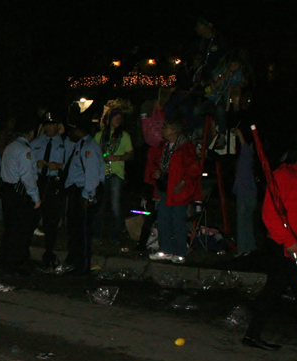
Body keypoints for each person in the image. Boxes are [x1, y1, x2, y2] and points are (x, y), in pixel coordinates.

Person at [242, 133, 297, 361]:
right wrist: (290, 242)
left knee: (274, 290)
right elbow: (270, 213)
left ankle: (253, 334)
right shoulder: (284, 174)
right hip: (290, 246)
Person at [144, 116, 202, 264]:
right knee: (163, 220)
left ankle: (180, 251)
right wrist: (156, 172)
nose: (162, 130)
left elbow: (193, 169)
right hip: (165, 188)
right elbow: (158, 163)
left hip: (178, 191)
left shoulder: (185, 147)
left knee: (177, 221)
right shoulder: (164, 146)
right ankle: (165, 249)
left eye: (165, 127)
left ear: (174, 130)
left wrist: (183, 182)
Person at [57, 117, 105, 275]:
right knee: (74, 231)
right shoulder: (80, 145)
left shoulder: (88, 148)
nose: (70, 133)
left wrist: (86, 196)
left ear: (79, 131)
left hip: (83, 192)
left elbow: (92, 174)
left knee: (82, 233)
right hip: (76, 191)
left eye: (72, 130)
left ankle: (83, 267)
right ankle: (73, 262)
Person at [0, 115, 41, 275]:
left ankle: (7, 260)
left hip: (8, 190)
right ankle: (17, 263)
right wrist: (35, 197)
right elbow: (27, 176)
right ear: (31, 133)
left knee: (10, 228)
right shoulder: (25, 150)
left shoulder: (10, 147)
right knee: (21, 230)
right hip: (19, 192)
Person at [30, 113, 66, 269]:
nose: (49, 127)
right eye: (47, 124)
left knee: (51, 219)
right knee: (33, 215)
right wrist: (36, 164)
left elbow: (73, 165)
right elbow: (27, 162)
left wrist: (58, 166)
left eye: (52, 124)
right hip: (38, 181)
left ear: (58, 126)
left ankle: (49, 251)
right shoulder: (37, 142)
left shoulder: (66, 143)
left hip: (54, 183)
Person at [93, 108, 134, 244]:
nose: (118, 120)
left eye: (119, 118)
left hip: (116, 174)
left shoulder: (124, 135)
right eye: (115, 117)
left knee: (115, 207)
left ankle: (115, 236)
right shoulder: (99, 135)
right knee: (100, 207)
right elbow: (93, 153)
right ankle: (97, 235)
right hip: (101, 174)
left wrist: (118, 157)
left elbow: (130, 154)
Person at [232, 126, 257, 256]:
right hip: (250, 194)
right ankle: (249, 247)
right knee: (248, 222)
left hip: (244, 193)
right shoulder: (249, 159)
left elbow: (244, 145)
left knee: (242, 223)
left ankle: (242, 248)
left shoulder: (247, 155)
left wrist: (239, 132)